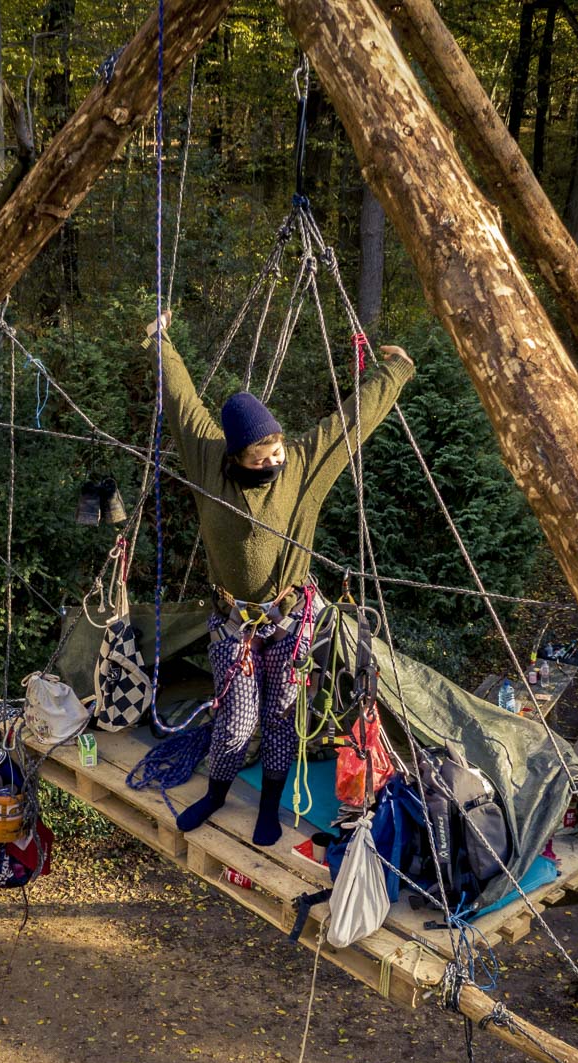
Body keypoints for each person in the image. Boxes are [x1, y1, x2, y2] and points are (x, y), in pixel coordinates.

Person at [147, 309, 415, 846]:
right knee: (237, 719)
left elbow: (349, 422)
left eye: (277, 449)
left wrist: (396, 372)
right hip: (230, 622)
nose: (273, 459)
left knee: (278, 717)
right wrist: (159, 343)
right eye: (261, 455)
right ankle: (217, 794)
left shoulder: (300, 467)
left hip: (291, 619)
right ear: (234, 455)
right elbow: (181, 401)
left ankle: (269, 805)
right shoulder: (206, 459)